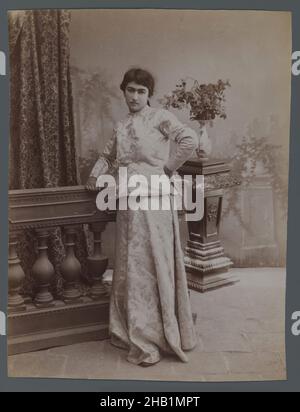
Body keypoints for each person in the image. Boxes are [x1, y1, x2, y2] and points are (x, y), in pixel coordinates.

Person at [86, 68, 199, 366]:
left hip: (155, 203)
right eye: (130, 90)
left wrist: (167, 168)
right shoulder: (121, 126)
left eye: (141, 91)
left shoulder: (160, 118)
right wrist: (95, 175)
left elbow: (189, 139)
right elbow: (108, 156)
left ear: (149, 95)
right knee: (130, 266)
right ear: (123, 91)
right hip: (128, 204)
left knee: (152, 264)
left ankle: (154, 338)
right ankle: (134, 330)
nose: (135, 96)